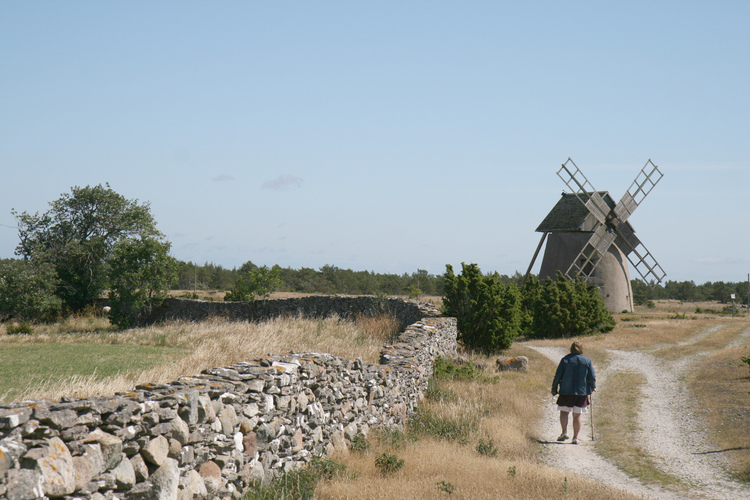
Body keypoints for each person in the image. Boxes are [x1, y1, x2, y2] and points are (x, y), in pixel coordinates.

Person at [551, 341, 596, 444]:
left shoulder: (565, 360)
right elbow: (592, 376)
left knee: (564, 412)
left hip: (566, 391)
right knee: (577, 415)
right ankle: (575, 437)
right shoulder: (586, 361)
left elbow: (558, 375)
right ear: (581, 349)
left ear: (571, 349)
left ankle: (564, 432)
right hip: (581, 392)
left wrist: (554, 388)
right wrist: (593, 386)